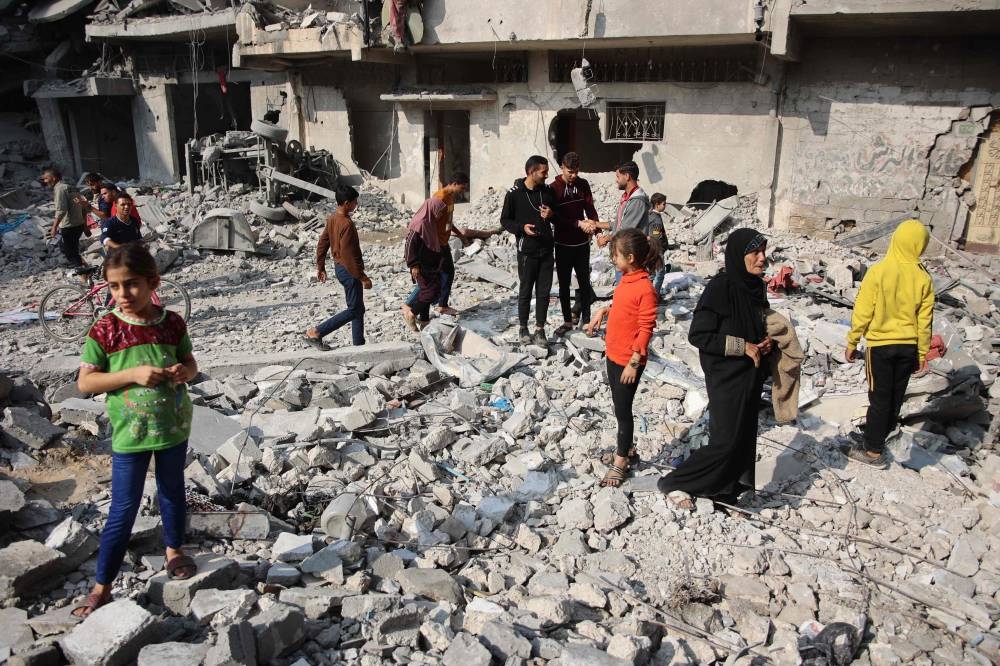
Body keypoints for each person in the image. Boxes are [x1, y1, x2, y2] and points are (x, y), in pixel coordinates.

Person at [72, 244, 198, 618]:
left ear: (153, 283)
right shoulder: (106, 328)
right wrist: (132, 375)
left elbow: (190, 362)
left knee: (173, 490)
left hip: (173, 427)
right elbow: (85, 383)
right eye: (114, 287)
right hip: (131, 434)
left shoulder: (172, 323)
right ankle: (102, 584)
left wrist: (183, 373)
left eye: (132, 285)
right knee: (123, 509)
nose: (123, 295)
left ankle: (174, 550)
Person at [657, 228, 773, 511]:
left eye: (763, 252)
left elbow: (755, 326)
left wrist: (765, 343)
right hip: (726, 376)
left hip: (750, 376)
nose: (762, 259)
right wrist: (743, 346)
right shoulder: (722, 287)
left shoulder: (755, 287)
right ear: (738, 255)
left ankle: (726, 491)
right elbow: (699, 335)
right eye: (755, 253)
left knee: (744, 437)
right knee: (725, 441)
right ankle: (675, 481)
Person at [844, 219, 934, 468]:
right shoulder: (923, 277)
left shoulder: (879, 271)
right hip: (908, 347)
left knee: (879, 397)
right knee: (894, 396)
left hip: (880, 346)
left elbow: (863, 310)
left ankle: (872, 451)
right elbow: (924, 319)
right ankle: (877, 437)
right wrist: (922, 352)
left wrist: (853, 340)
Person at [584, 229, 660, 487]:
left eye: (615, 256)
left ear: (629, 257)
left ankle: (621, 460)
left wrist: (634, 362)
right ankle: (625, 448)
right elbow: (623, 307)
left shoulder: (645, 288)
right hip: (614, 354)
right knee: (618, 407)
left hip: (629, 360)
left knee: (624, 412)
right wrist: (604, 311)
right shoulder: (626, 280)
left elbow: (646, 327)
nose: (613, 260)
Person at [500, 155, 558, 347]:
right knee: (525, 291)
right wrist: (521, 228)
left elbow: (559, 217)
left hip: (547, 250)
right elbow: (505, 220)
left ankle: (540, 329)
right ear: (531, 172)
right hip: (526, 252)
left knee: (544, 292)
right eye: (543, 172)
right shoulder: (514, 194)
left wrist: (551, 215)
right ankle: (523, 328)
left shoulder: (548, 192)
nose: (546, 175)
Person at [305, 185, 371, 350]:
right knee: (354, 309)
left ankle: (359, 345)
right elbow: (349, 256)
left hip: (339, 268)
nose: (356, 205)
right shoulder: (346, 224)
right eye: (355, 202)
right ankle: (317, 332)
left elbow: (323, 243)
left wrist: (321, 266)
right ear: (347, 203)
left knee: (357, 308)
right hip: (349, 270)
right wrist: (363, 277)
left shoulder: (333, 218)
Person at [400, 173, 470, 322]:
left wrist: (459, 234)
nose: (463, 191)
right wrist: (416, 262)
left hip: (440, 244)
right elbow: (421, 233)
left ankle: (423, 316)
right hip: (435, 245)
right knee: (431, 282)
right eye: (462, 187)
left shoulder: (448, 198)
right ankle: (412, 308)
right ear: (454, 183)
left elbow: (447, 221)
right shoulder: (438, 200)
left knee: (437, 278)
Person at [550, 152, 600, 336]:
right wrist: (578, 223)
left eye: (576, 171)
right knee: (564, 285)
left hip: (581, 244)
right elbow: (555, 218)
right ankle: (567, 321)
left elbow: (590, 210)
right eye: (570, 171)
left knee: (584, 283)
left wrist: (597, 231)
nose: (573, 175)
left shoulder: (583, 184)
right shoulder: (553, 188)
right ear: (562, 167)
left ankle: (586, 321)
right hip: (563, 244)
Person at [403, 197, 448, 329]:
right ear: (432, 209)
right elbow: (409, 244)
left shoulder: (430, 221)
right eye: (439, 211)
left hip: (430, 264)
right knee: (430, 292)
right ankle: (411, 314)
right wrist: (413, 264)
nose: (440, 214)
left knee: (426, 291)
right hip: (421, 265)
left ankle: (424, 321)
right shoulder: (420, 223)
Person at [42, 167, 88, 269]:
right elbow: (83, 207)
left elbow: (61, 210)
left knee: (70, 253)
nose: (45, 181)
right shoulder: (72, 187)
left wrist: (54, 228)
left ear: (53, 178)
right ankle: (86, 270)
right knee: (73, 251)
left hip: (69, 227)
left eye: (46, 178)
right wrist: (85, 226)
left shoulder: (60, 189)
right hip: (78, 225)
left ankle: (85, 276)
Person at [647, 193, 671, 295]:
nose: (665, 206)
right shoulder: (656, 219)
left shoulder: (650, 216)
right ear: (657, 204)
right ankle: (655, 296)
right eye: (663, 204)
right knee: (660, 273)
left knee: (651, 274)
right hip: (656, 249)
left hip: (650, 249)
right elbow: (656, 237)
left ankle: (649, 295)